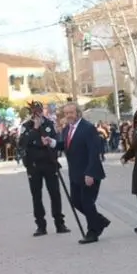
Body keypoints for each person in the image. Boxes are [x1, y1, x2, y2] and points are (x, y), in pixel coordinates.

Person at [52, 103, 109, 244]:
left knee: (87, 202)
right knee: (76, 201)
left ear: (78, 113)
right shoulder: (67, 129)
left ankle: (92, 232)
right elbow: (67, 146)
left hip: (89, 172)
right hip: (75, 173)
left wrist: (90, 173)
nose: (69, 116)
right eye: (66, 113)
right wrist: (52, 143)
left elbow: (94, 152)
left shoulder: (88, 128)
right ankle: (99, 221)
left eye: (71, 112)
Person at [19, 101, 70, 237]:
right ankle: (41, 226)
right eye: (35, 111)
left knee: (55, 194)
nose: (37, 114)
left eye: (39, 111)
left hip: (49, 163)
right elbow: (23, 143)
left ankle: (59, 223)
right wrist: (35, 129)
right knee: (37, 196)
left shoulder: (49, 124)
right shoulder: (26, 126)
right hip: (34, 166)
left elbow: (54, 141)